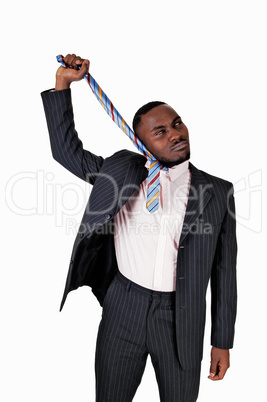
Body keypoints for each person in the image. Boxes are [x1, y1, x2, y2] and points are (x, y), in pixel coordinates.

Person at [41, 54, 237, 402]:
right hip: (123, 307)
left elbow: (225, 272)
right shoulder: (121, 172)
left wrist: (222, 341)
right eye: (160, 132)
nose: (175, 134)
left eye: (177, 124)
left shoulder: (218, 192)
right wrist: (62, 85)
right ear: (142, 141)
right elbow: (66, 152)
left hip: (181, 319)